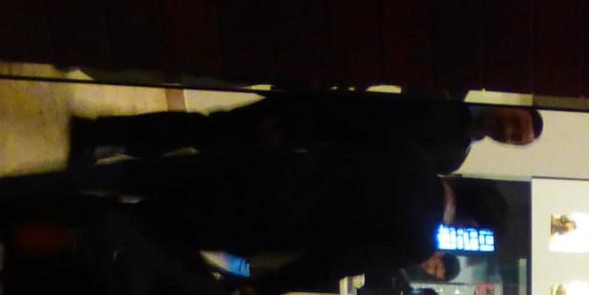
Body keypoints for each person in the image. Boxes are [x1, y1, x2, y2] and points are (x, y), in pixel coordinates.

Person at [0, 142, 515, 295]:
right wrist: (266, 285)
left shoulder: (412, 157)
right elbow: (334, 261)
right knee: (133, 225)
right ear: (471, 222)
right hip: (259, 221)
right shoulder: (415, 238)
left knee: (124, 176)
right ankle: (15, 225)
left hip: (255, 167)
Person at [68, 94, 545, 175]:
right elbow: (366, 109)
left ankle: (111, 143)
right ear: (508, 106)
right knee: (207, 130)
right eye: (513, 121)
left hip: (310, 152)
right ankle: (99, 132)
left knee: (206, 148)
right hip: (307, 115)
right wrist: (299, 120)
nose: (506, 130)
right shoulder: (444, 96)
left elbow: (375, 162)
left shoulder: (453, 158)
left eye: (514, 136)